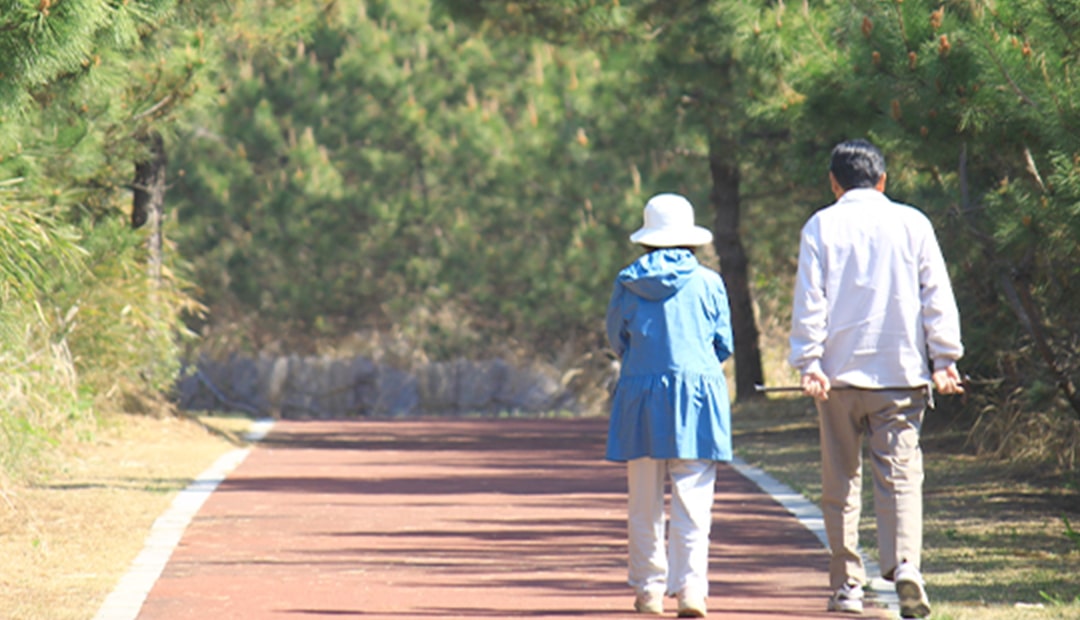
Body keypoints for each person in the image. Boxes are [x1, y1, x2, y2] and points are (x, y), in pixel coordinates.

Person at [788, 139, 965, 618]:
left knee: (841, 483)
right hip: (901, 374)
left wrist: (809, 364)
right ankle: (905, 565)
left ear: (834, 182)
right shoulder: (913, 223)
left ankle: (847, 586)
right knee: (901, 477)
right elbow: (936, 294)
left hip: (838, 379)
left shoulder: (821, 225)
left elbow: (811, 302)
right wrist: (944, 359)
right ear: (883, 180)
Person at [606, 193, 734, 618]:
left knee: (644, 501)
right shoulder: (710, 283)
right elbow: (723, 344)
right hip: (697, 399)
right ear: (690, 240)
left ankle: (649, 590)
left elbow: (616, 339)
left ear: (646, 239)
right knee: (694, 501)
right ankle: (692, 588)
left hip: (641, 397)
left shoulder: (626, 282)